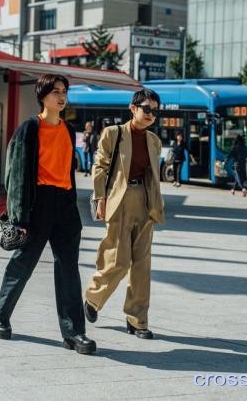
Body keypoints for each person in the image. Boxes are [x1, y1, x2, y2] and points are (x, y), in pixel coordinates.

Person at [0, 74, 96, 355]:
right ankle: (0, 315)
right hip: (38, 205)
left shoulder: (69, 130)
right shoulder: (30, 128)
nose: (61, 97)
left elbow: (68, 173)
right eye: (55, 92)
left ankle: (74, 333)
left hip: (65, 206)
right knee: (23, 263)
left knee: (68, 269)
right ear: (42, 96)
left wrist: (72, 207)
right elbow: (17, 174)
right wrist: (19, 217)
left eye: (64, 92)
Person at [84, 88, 165, 340]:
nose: (151, 114)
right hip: (119, 200)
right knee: (118, 259)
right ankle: (93, 297)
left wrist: (156, 207)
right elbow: (100, 166)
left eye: (155, 110)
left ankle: (137, 319)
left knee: (142, 264)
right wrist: (99, 198)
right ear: (133, 108)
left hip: (145, 201)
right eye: (146, 109)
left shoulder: (154, 141)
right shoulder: (114, 133)